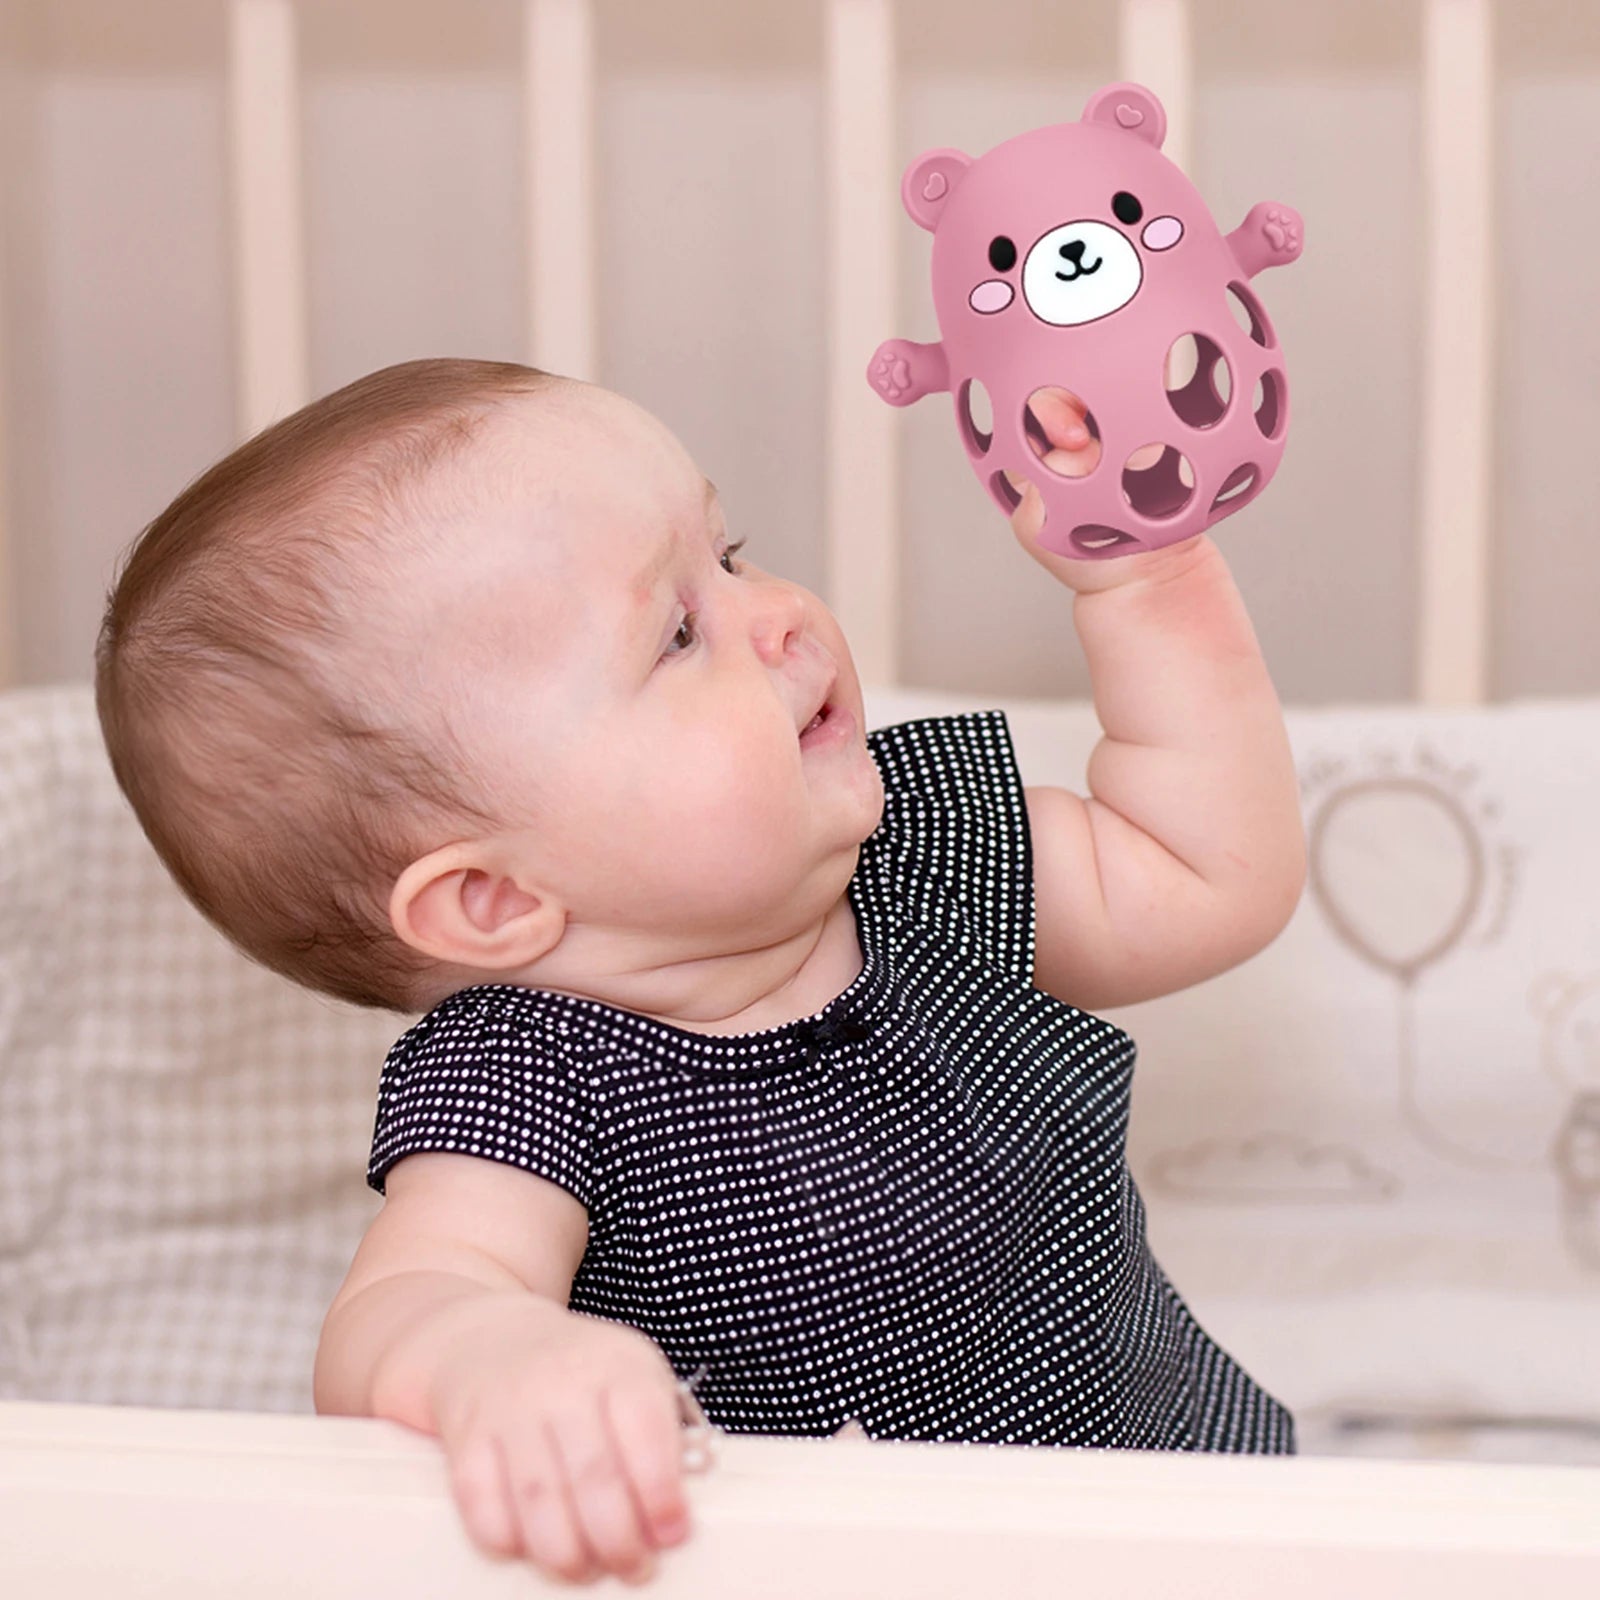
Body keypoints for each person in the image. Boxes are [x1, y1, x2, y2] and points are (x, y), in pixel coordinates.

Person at [95, 358, 1306, 1586]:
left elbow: (1209, 872)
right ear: (496, 899)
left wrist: (1151, 582)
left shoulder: (913, 855)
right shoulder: (531, 1069)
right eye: (678, 632)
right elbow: (410, 1297)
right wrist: (490, 1358)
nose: (776, 611)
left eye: (730, 556)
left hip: (1177, 1508)